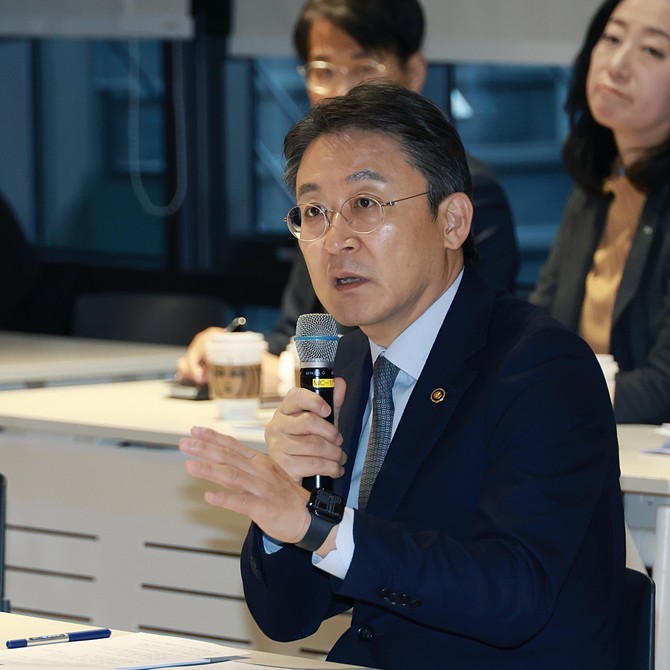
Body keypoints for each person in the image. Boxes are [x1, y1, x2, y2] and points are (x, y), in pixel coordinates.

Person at [179, 82, 625, 669]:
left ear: (453, 221)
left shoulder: (540, 367)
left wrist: (320, 528)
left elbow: (515, 593)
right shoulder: (345, 364)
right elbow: (287, 618)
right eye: (314, 212)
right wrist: (284, 506)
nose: (336, 239)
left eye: (366, 204)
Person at [176, 0, 518, 391]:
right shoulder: (323, 199)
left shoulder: (467, 190)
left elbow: (455, 344)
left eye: (364, 67)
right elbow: (297, 333)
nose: (342, 90)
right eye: (323, 70)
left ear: (414, 71)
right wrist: (234, 351)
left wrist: (292, 376)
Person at [529, 0, 670, 425]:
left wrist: (541, 393)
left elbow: (663, 389)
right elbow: (537, 332)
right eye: (612, 38)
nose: (617, 64)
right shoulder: (596, 190)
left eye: (653, 50)